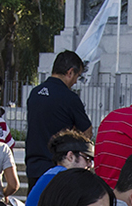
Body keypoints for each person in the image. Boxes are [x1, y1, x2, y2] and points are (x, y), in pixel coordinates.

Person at [25, 50, 92, 187]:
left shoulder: (35, 93)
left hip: (34, 166)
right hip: (57, 168)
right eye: (76, 77)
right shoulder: (69, 98)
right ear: (70, 72)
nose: (74, 82)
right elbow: (87, 133)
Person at [25, 130, 94, 206]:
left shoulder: (51, 174)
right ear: (70, 156)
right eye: (87, 159)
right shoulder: (68, 178)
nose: (90, 165)